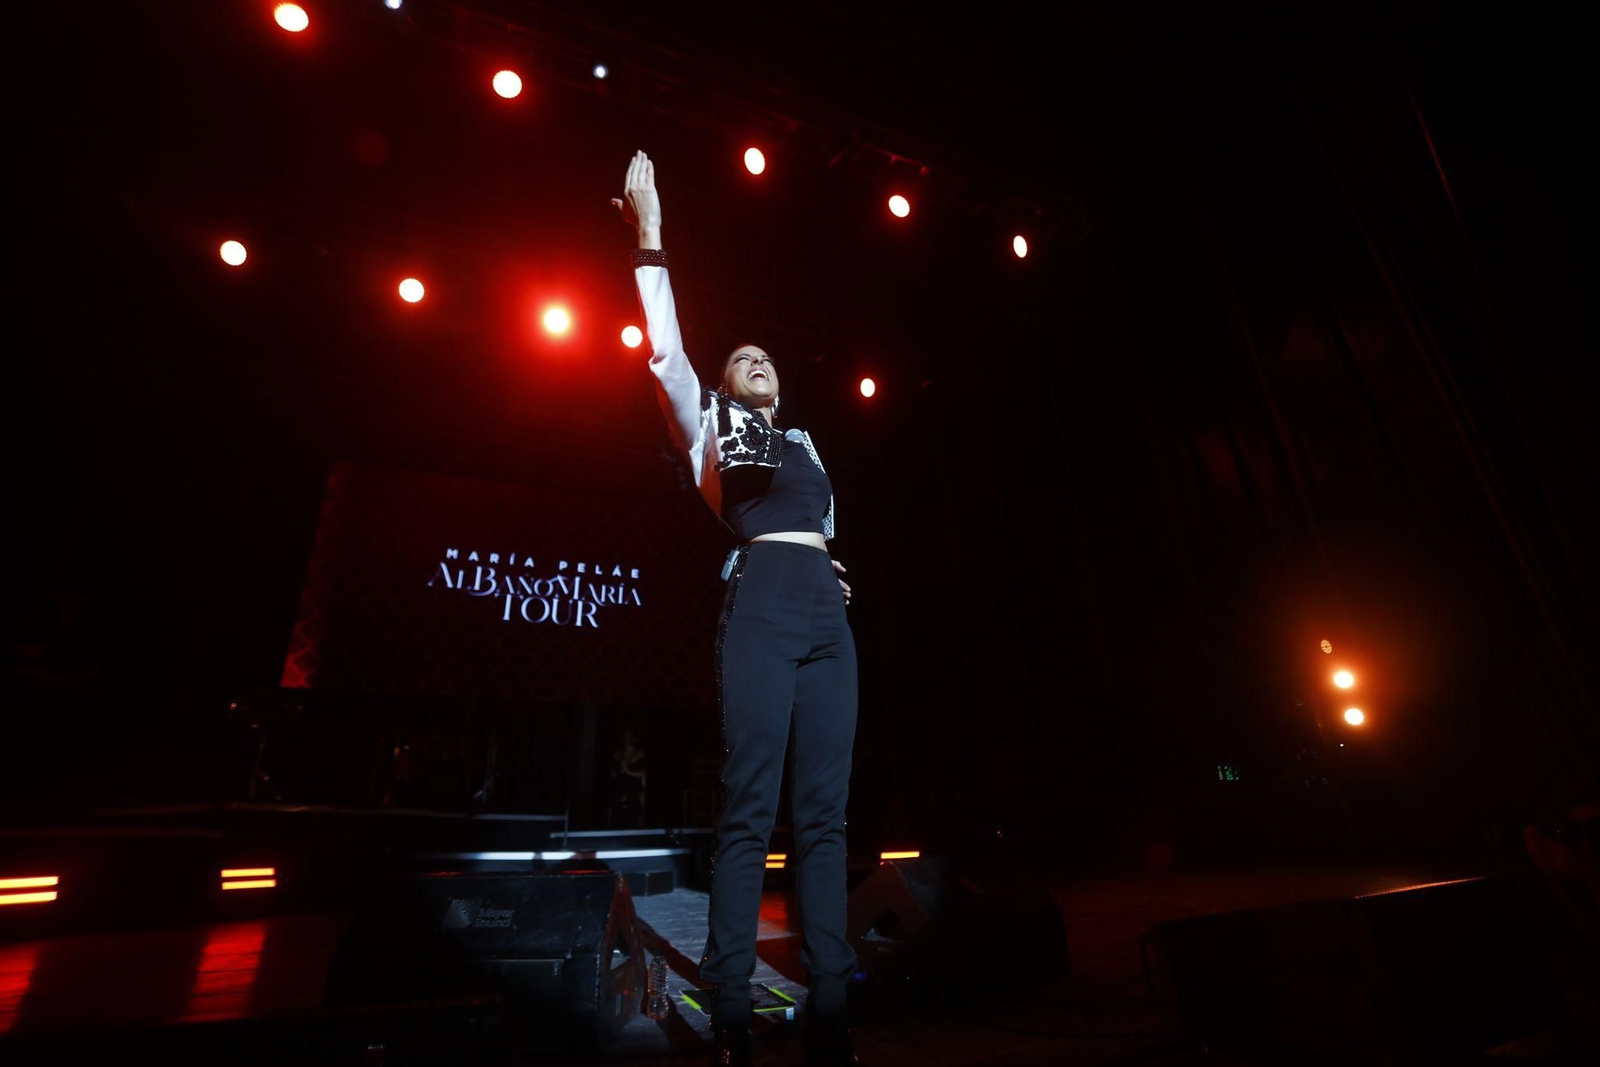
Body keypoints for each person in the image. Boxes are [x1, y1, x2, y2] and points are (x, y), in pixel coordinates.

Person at [615, 150, 861, 1067]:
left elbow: (819, 526)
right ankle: (728, 1006)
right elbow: (666, 353)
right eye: (740, 359)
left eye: (766, 358)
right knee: (752, 805)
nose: (755, 361)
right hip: (759, 606)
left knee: (826, 814)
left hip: (826, 618)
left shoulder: (805, 442)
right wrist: (651, 235)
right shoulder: (708, 427)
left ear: (780, 385)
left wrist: (831, 574)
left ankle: (832, 1009)